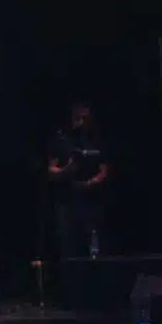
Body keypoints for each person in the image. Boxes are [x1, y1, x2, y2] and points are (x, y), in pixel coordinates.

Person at [48, 102, 107, 259]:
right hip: (68, 202)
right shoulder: (61, 139)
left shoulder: (97, 140)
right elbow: (51, 170)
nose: (82, 121)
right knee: (69, 247)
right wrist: (66, 171)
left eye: (86, 118)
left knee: (95, 246)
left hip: (92, 201)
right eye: (79, 117)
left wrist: (89, 183)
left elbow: (104, 170)